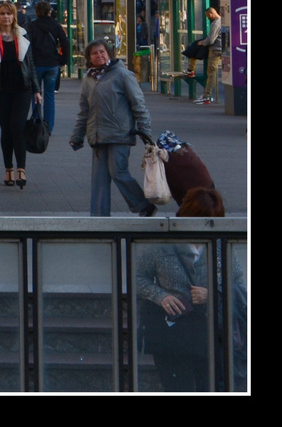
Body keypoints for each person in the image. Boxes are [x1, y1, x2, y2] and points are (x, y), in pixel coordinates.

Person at [135, 187, 225, 391]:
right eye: (200, 220)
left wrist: (212, 294)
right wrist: (161, 296)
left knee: (210, 386)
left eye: (210, 222)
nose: (203, 227)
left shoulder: (220, 244)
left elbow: (237, 283)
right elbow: (138, 277)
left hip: (210, 334)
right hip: (172, 337)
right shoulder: (162, 244)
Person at [69, 39, 156, 217]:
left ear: (109, 54)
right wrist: (77, 135)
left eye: (102, 52)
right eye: (94, 53)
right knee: (99, 180)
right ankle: (99, 219)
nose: (99, 55)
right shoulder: (89, 79)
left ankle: (143, 205)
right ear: (89, 58)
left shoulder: (123, 75)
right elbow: (84, 111)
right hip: (98, 136)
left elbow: (139, 104)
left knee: (118, 172)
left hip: (120, 134)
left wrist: (145, 131)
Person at [0, 1, 44, 188]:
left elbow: (30, 64)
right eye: (2, 14)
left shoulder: (22, 35)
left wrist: (37, 90)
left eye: (9, 14)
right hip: (0, 90)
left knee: (18, 126)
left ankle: (21, 168)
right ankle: (8, 168)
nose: (6, 17)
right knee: (6, 129)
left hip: (22, 88)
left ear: (14, 16)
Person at [24, 1, 68, 131]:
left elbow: (27, 46)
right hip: (52, 64)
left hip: (36, 65)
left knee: (35, 94)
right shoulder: (56, 26)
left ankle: (37, 123)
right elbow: (65, 43)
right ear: (50, 11)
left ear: (36, 12)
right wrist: (62, 60)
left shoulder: (31, 27)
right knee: (49, 95)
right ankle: (48, 127)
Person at [187, 6, 226, 105]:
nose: (207, 18)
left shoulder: (216, 24)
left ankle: (206, 96)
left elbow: (210, 40)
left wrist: (202, 43)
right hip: (219, 49)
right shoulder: (222, 21)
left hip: (215, 49)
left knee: (211, 73)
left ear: (211, 14)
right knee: (211, 72)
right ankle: (190, 69)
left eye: (207, 16)